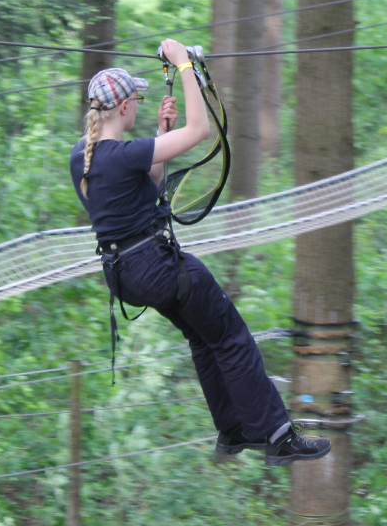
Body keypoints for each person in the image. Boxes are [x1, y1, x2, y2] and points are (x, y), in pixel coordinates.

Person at [69, 39, 331, 467]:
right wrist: (185, 65)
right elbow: (202, 132)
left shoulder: (84, 156)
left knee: (203, 336)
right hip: (156, 267)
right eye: (136, 99)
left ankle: (232, 431)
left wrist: (160, 136)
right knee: (231, 335)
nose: (138, 104)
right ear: (123, 109)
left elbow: (145, 191)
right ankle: (278, 436)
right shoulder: (122, 154)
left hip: (125, 275)